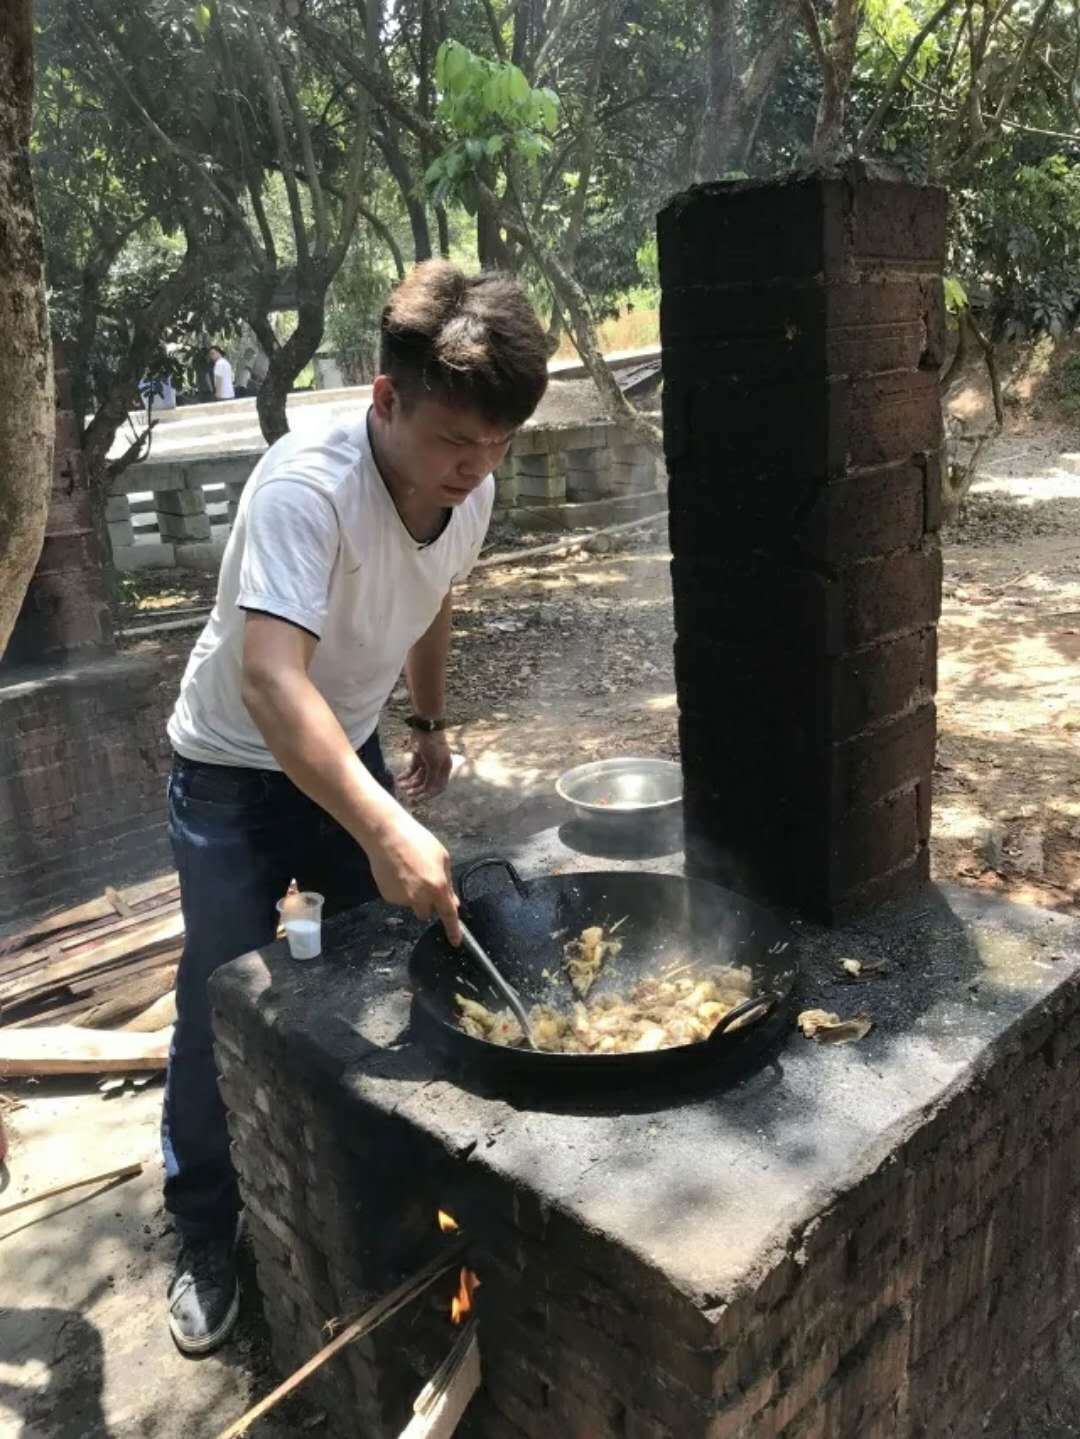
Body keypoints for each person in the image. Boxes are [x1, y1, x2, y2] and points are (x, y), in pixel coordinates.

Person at [161, 261, 548, 1355]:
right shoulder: (304, 488)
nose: (474, 474)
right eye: (453, 446)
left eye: (496, 449)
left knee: (381, 965)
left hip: (350, 743)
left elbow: (433, 589)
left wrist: (426, 724)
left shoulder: (468, 484)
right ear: (385, 399)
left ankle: (369, 1182)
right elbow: (272, 684)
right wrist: (382, 822)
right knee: (223, 993)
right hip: (232, 769)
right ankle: (203, 1227)